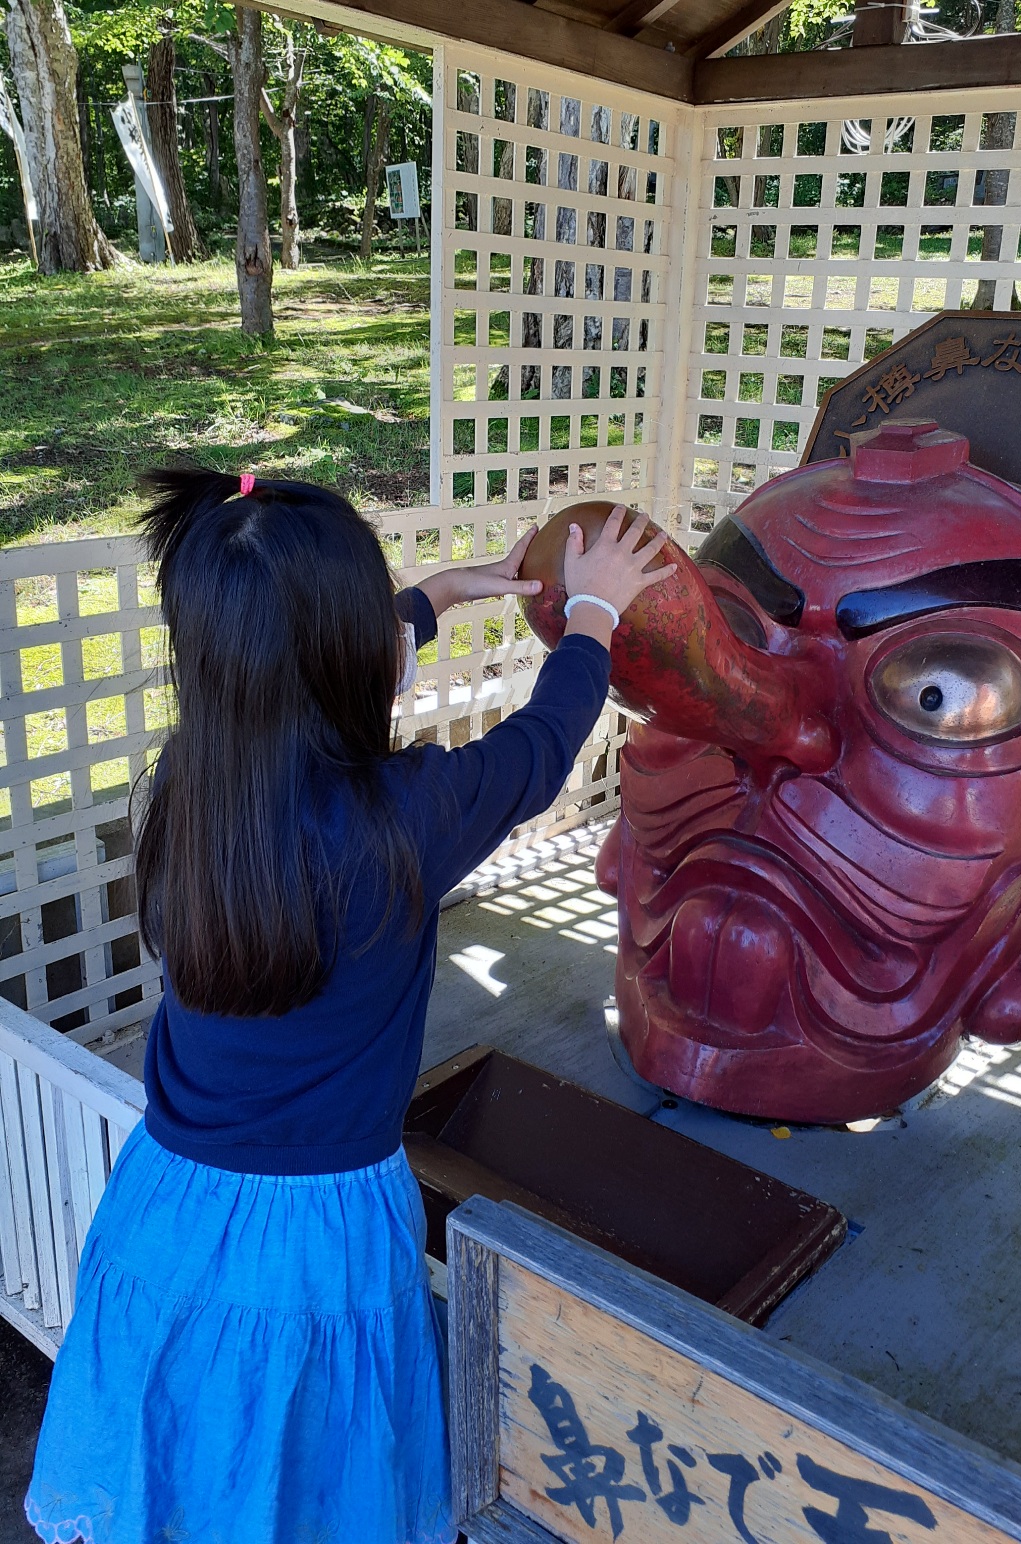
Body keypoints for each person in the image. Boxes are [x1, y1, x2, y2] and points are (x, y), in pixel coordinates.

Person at [24, 468, 674, 1544]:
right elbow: (542, 746)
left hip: (164, 1212)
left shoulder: (192, 784)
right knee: (304, 1474)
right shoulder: (402, 819)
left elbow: (293, 665)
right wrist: (594, 614)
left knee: (184, 1463)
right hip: (315, 1239)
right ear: (351, 656)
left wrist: (433, 595)